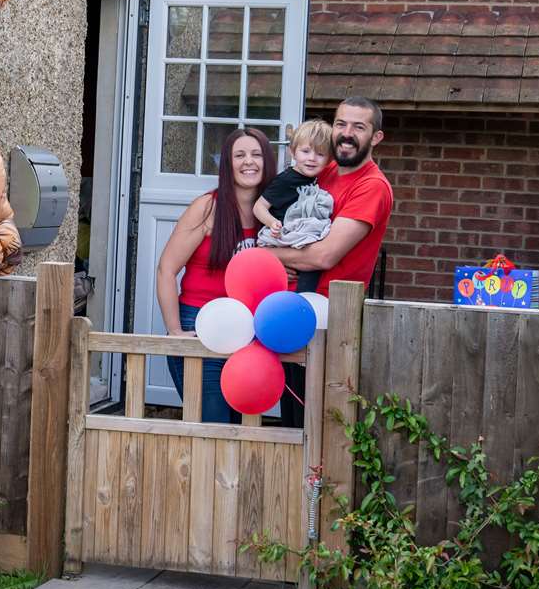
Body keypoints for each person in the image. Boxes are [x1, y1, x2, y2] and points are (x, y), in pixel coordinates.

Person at [271, 98, 394, 427]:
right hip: (289, 309)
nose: (347, 133)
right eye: (341, 124)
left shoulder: (372, 186)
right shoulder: (320, 172)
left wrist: (262, 257)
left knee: (316, 423)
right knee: (292, 415)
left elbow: (324, 255)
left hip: (327, 319)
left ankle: (313, 481)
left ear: (376, 138)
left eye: (359, 127)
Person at [156, 127, 276, 424]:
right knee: (212, 420)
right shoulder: (207, 207)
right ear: (227, 164)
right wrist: (174, 332)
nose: (249, 162)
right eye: (240, 155)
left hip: (250, 330)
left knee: (240, 422)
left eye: (256, 154)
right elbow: (166, 270)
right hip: (202, 323)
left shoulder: (276, 215)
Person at [255, 118, 334, 295]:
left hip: (298, 238)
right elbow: (259, 206)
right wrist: (272, 222)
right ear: (293, 152)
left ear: (329, 160)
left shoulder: (314, 178)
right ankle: (303, 301)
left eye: (320, 154)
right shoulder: (286, 180)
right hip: (281, 238)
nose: (312, 159)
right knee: (308, 274)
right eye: (305, 151)